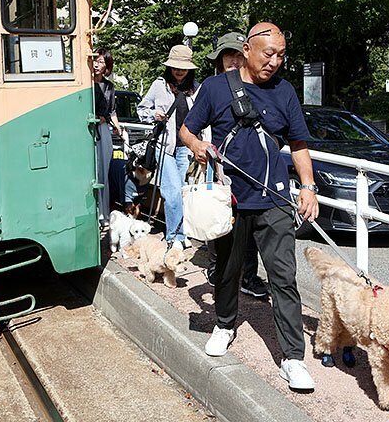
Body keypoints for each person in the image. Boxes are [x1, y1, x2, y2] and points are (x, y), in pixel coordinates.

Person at [180, 22, 319, 391]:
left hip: (274, 198)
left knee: (283, 277)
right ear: (246, 49)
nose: (274, 62)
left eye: (281, 55)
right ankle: (225, 325)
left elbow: (299, 143)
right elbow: (186, 129)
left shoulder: (285, 91)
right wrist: (196, 146)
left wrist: (308, 187)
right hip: (230, 198)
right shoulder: (214, 88)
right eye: (268, 54)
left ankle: (292, 358)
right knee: (226, 270)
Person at [204, 32, 268, 299]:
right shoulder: (210, 87)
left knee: (249, 226)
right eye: (228, 56)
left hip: (250, 171)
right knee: (219, 221)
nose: (234, 61)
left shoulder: (257, 87)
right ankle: (217, 269)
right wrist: (200, 148)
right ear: (219, 60)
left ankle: (249, 276)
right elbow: (196, 128)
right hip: (216, 165)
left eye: (238, 56)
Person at [137, 45, 199, 249]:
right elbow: (142, 108)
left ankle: (180, 231)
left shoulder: (196, 89)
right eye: (175, 67)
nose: (179, 71)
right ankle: (175, 236)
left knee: (181, 192)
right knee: (172, 192)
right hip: (165, 146)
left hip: (186, 147)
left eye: (183, 67)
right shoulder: (159, 85)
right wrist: (153, 115)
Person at [92, 48, 123, 228]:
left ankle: (103, 214)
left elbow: (111, 111)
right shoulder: (84, 83)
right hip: (87, 129)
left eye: (102, 61)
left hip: (102, 130)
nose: (97, 64)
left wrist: (117, 127)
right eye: (95, 59)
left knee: (103, 171)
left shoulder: (109, 86)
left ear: (107, 67)